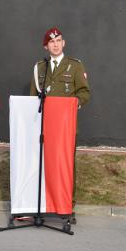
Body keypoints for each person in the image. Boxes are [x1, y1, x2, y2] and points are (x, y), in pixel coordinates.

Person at [29, 27, 90, 222]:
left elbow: (84, 93)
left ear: (63, 43)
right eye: (51, 42)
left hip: (65, 128)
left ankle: (67, 206)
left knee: (65, 165)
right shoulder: (40, 67)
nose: (55, 45)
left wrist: (74, 105)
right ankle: (42, 202)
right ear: (46, 46)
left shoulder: (75, 66)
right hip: (44, 127)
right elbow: (33, 98)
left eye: (59, 41)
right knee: (43, 163)